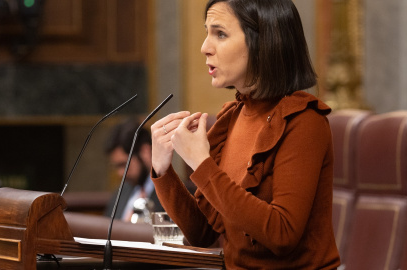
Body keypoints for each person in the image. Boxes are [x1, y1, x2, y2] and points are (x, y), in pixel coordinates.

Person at [150, 0, 341, 269]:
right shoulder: (232, 117)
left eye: (220, 33)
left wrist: (202, 164)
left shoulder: (304, 120)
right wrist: (162, 168)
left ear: (262, 42)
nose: (205, 47)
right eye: (207, 32)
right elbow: (202, 234)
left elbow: (282, 234)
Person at [104, 118, 164, 223]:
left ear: (145, 152)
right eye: (116, 167)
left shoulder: (173, 193)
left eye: (124, 165)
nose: (120, 173)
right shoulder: (120, 194)